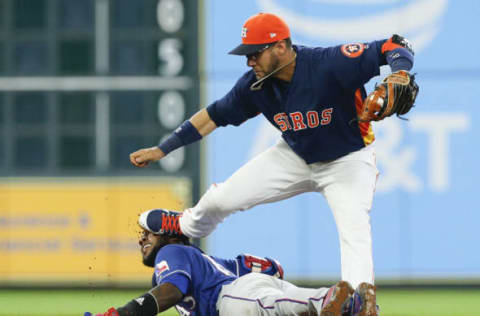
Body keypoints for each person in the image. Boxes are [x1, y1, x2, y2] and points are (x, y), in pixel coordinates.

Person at [130, 12, 415, 313]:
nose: (249, 61)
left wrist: (401, 73)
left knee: (354, 228)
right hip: (294, 155)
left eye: (255, 53)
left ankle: (359, 302)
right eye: (247, 55)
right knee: (222, 197)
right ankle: (184, 224)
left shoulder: (328, 63)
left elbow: (395, 45)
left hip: (348, 160)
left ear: (280, 47)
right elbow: (211, 117)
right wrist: (163, 149)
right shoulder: (254, 85)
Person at [85, 209, 377, 316]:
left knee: (263, 305)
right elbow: (272, 266)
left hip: (233, 298)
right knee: (272, 302)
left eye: (147, 233)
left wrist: (122, 314)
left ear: (170, 234)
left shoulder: (170, 252)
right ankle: (342, 304)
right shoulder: (206, 260)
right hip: (252, 286)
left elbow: (171, 291)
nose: (142, 240)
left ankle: (336, 300)